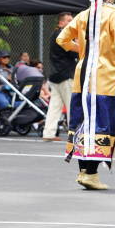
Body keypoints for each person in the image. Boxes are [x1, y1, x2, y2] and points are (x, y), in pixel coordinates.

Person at [56, 0, 115, 190]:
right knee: (102, 122)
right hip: (105, 77)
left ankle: (84, 171)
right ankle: (91, 173)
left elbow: (61, 40)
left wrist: (82, 50)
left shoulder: (83, 15)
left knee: (82, 120)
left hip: (83, 76)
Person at [42, 12, 77, 141]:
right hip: (65, 75)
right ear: (61, 22)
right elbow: (74, 53)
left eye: (72, 20)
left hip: (55, 75)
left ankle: (48, 133)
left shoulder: (55, 34)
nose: (71, 22)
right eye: (68, 20)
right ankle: (74, 134)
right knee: (72, 105)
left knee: (54, 106)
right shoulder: (63, 35)